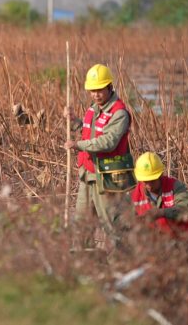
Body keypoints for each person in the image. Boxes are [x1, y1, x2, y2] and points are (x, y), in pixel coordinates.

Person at [63, 64, 136, 242]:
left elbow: (108, 142)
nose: (96, 94)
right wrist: (73, 121)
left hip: (107, 177)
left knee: (113, 224)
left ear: (109, 87)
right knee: (82, 224)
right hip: (87, 174)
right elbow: (88, 131)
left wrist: (77, 145)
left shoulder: (119, 113)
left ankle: (126, 258)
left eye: (99, 90)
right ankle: (83, 259)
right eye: (92, 90)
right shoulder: (93, 109)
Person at [131, 152, 188, 236]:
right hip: (150, 244)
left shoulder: (176, 187)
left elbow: (184, 210)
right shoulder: (134, 194)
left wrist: (161, 213)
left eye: (152, 181)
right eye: (145, 182)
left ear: (161, 175)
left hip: (181, 242)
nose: (149, 186)